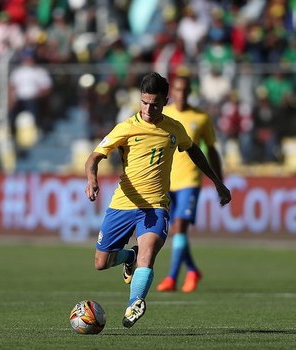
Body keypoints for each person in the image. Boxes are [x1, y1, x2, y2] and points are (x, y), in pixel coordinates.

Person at [84, 72, 231, 328]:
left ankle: (135, 303)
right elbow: (94, 157)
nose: (148, 108)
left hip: (155, 206)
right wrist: (91, 178)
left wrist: (217, 181)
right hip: (123, 202)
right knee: (101, 262)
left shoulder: (174, 128)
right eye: (144, 102)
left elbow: (195, 151)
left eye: (154, 103)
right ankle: (128, 257)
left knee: (148, 254)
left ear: (164, 101)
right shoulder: (126, 127)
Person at [156, 73, 224, 293]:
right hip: (166, 182)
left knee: (180, 227)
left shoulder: (201, 118)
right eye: (177, 90)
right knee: (174, 230)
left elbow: (212, 150)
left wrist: (218, 182)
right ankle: (193, 270)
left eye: (185, 90)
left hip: (190, 181)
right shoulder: (162, 115)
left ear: (190, 92)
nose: (181, 94)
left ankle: (172, 278)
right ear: (171, 93)